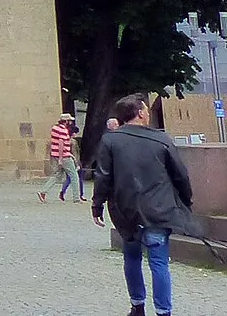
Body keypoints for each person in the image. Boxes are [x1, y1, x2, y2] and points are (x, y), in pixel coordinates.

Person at [95, 93, 200, 316]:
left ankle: (137, 305)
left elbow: (103, 176)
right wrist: (186, 200)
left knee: (131, 257)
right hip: (158, 210)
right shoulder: (161, 139)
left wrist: (97, 205)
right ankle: (163, 311)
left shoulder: (110, 140)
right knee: (159, 262)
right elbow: (181, 175)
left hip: (126, 211)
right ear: (141, 113)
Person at [40, 112, 80, 203]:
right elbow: (61, 144)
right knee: (74, 176)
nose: (70, 122)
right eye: (69, 120)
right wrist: (62, 158)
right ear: (66, 121)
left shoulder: (55, 128)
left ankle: (43, 191)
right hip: (64, 156)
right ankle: (76, 198)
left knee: (57, 175)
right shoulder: (63, 130)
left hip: (56, 155)